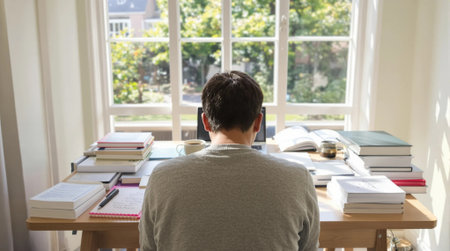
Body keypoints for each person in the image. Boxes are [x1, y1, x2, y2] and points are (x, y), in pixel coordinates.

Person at [139, 71, 320, 251]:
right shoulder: (298, 178)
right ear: (258, 123)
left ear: (205, 122)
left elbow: (148, 247)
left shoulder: (162, 176)